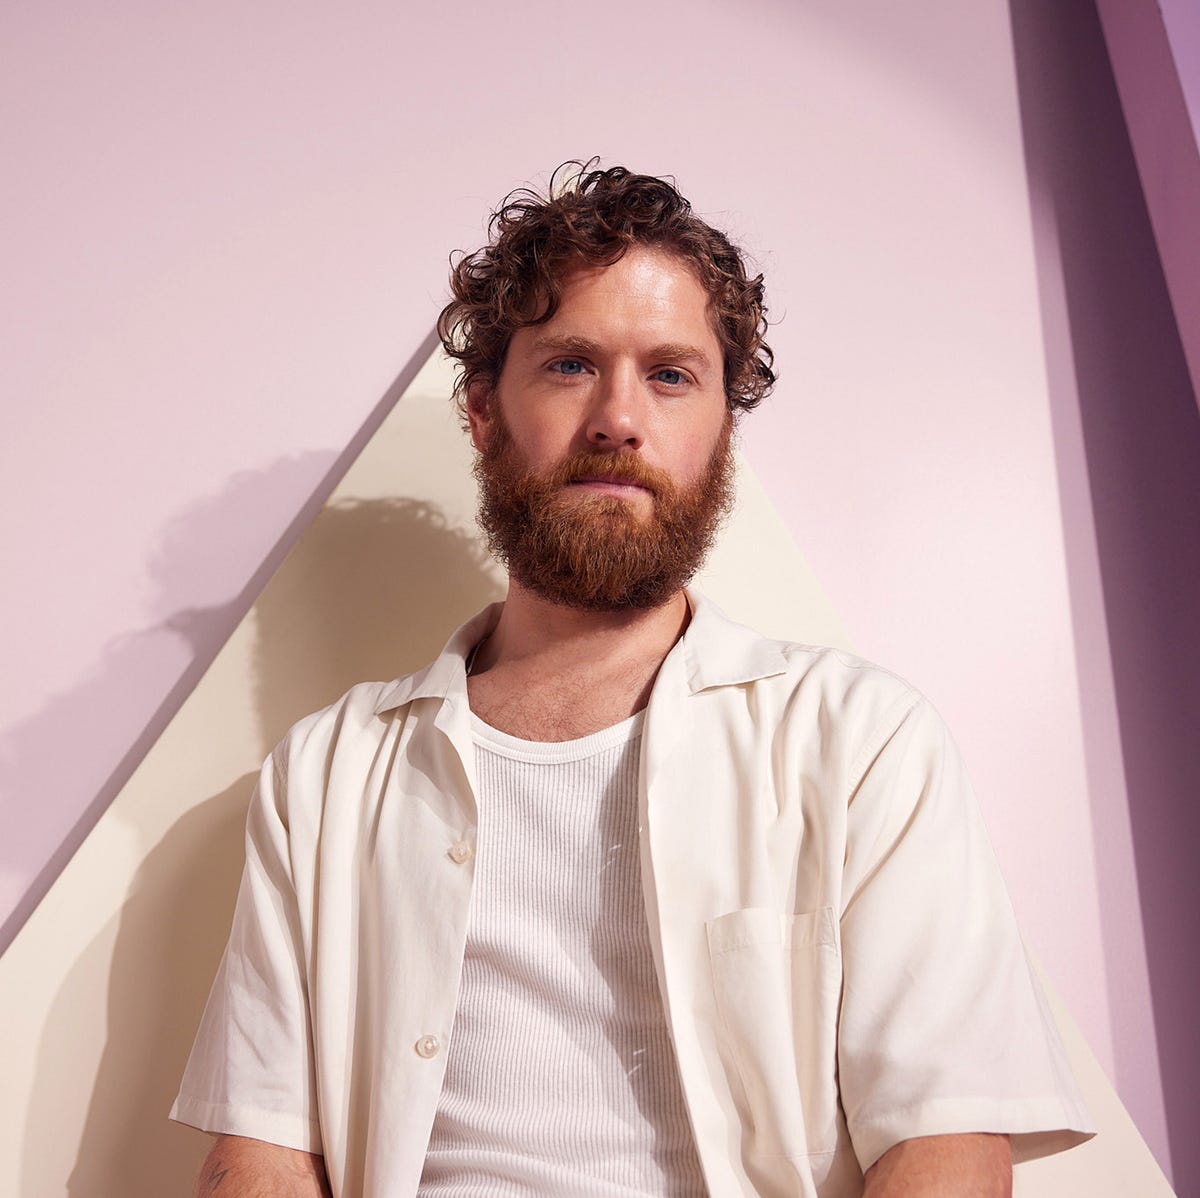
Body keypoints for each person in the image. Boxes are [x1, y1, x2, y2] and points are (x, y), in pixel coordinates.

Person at [172, 163, 1093, 1197]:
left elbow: (947, 1143)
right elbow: (258, 1152)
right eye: (570, 364)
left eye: (669, 374)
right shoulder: (328, 771)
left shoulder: (862, 737)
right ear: (483, 410)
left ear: (723, 429)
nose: (618, 416)